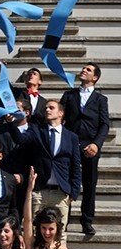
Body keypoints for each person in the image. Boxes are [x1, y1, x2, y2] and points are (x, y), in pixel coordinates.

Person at [9, 101, 82, 235]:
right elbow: (20, 139)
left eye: (51, 108)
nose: (47, 110)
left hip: (61, 192)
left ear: (61, 113)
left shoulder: (71, 137)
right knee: (36, 232)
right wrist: (11, 123)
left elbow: (75, 166)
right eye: (46, 108)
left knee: (60, 234)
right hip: (39, 191)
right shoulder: (37, 130)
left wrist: (73, 192)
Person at [60, 62, 109, 235]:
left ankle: (87, 221)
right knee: (67, 183)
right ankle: (63, 220)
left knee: (89, 184)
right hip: (71, 144)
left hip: (90, 146)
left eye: (88, 70)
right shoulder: (69, 95)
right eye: (83, 68)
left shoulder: (101, 99)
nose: (83, 70)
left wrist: (96, 144)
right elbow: (60, 117)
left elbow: (104, 124)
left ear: (95, 77)